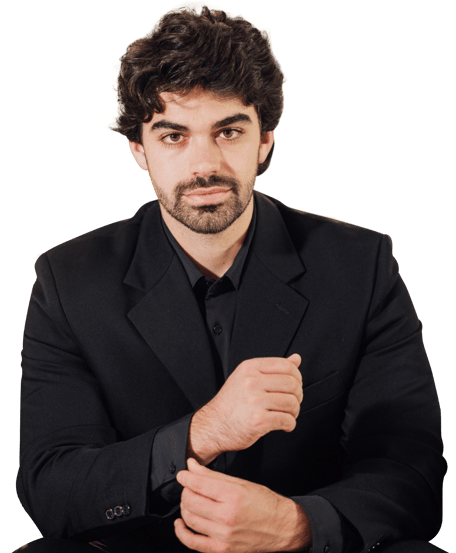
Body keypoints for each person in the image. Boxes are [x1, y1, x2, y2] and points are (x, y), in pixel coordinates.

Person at [15, 2, 446, 552]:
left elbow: (410, 469)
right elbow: (52, 487)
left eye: (228, 131)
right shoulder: (69, 279)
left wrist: (299, 524)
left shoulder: (360, 264)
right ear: (138, 150)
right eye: (174, 136)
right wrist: (204, 432)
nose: (205, 166)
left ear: (264, 140)